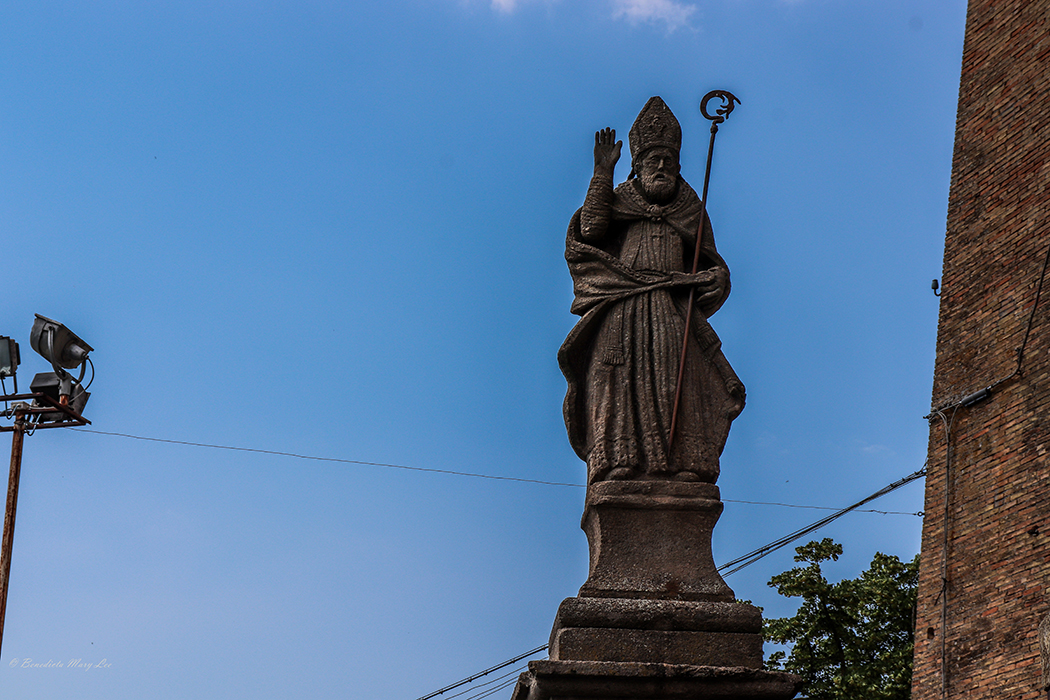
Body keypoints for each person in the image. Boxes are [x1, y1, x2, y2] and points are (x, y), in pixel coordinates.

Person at [559, 96, 745, 485]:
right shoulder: (620, 199)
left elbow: (711, 262)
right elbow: (590, 231)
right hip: (622, 303)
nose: (661, 168)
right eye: (653, 162)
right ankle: (618, 459)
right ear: (638, 166)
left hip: (671, 309)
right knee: (617, 381)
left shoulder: (689, 206)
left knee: (678, 380)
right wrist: (601, 174)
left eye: (669, 162)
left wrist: (716, 278)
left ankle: (685, 462)